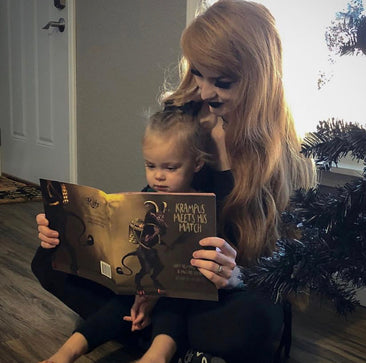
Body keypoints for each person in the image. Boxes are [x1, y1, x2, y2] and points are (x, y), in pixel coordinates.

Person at [34, 1, 315, 362]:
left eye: (222, 81)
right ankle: (167, 337)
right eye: (199, 72)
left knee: (252, 319)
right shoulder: (184, 114)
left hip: (224, 291)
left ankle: (146, 331)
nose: (205, 90)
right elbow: (156, 197)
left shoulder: (281, 151)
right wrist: (75, 233)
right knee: (49, 259)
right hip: (166, 274)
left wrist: (237, 277)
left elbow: (290, 264)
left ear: (258, 77)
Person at [34, 103, 220, 363]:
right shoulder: (146, 201)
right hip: (142, 283)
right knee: (121, 303)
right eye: (151, 165)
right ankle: (67, 352)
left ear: (197, 163)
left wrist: (156, 295)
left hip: (180, 292)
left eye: (170, 168)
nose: (158, 177)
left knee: (176, 301)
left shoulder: (203, 207)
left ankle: (157, 355)